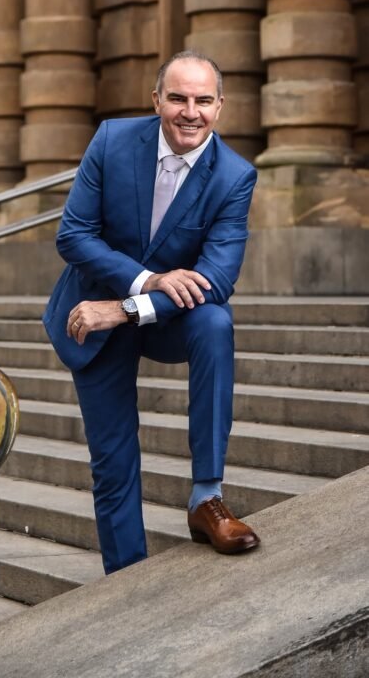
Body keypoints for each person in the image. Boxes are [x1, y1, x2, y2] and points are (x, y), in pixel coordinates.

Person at [43, 50, 260, 574]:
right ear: (156, 99)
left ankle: (206, 497)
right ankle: (128, 581)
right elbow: (72, 235)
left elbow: (217, 280)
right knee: (113, 464)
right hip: (89, 315)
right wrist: (147, 281)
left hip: (152, 317)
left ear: (220, 107)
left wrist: (127, 307)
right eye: (179, 98)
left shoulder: (234, 176)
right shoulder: (114, 141)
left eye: (203, 101)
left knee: (214, 320)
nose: (191, 112)